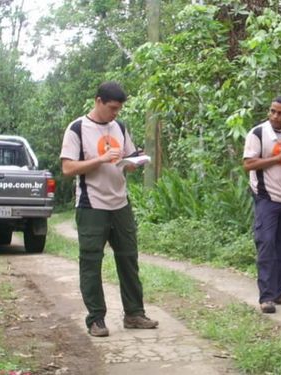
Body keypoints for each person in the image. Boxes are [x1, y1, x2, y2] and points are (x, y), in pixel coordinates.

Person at [60, 81, 158, 337]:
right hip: (92, 205)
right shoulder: (78, 128)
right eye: (112, 108)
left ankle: (134, 314)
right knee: (91, 262)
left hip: (120, 202)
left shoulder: (120, 127)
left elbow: (126, 157)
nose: (115, 113)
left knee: (128, 258)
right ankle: (96, 319)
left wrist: (134, 161)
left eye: (119, 109)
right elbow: (68, 169)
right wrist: (99, 160)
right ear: (98, 101)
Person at [243, 96, 281, 314]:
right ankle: (266, 297)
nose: (276, 116)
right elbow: (248, 164)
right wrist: (276, 159)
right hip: (266, 199)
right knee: (267, 244)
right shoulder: (258, 133)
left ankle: (279, 292)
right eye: (273, 111)